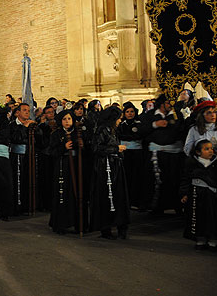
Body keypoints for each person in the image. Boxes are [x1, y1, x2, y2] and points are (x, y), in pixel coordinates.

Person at [90, 106, 130, 239]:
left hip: (116, 166)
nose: (120, 121)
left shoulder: (114, 130)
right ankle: (106, 227)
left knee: (119, 196)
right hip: (105, 168)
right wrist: (115, 148)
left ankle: (121, 226)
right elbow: (97, 148)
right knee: (107, 197)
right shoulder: (102, 130)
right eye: (118, 118)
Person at [142, 94, 186, 214]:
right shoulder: (150, 115)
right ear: (162, 104)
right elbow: (143, 130)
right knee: (157, 180)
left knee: (174, 179)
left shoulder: (177, 114)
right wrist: (155, 125)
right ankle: (157, 206)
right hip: (156, 153)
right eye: (168, 103)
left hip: (174, 152)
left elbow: (181, 129)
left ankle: (177, 205)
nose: (170, 105)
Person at [180, 139, 217, 251]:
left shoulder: (216, 164)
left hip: (212, 197)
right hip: (196, 195)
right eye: (206, 149)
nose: (210, 151)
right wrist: (184, 194)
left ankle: (213, 240)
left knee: (213, 218)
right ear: (198, 152)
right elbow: (185, 179)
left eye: (211, 148)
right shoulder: (191, 163)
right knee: (198, 217)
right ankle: (200, 239)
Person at [48, 110, 81, 234]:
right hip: (62, 166)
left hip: (77, 166)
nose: (67, 122)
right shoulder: (56, 134)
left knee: (76, 193)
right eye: (64, 119)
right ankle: (60, 224)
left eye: (69, 119)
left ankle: (79, 223)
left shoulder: (78, 133)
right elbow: (52, 151)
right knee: (62, 194)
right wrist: (64, 147)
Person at [118, 101, 150, 211]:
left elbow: (139, 135)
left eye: (132, 111)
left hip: (137, 153)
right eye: (127, 112)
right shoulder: (121, 125)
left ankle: (137, 200)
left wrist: (130, 137)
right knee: (127, 176)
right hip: (125, 153)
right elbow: (120, 135)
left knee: (137, 177)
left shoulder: (139, 123)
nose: (130, 114)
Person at [9, 103, 39, 215]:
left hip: (30, 155)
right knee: (18, 180)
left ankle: (30, 204)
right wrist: (24, 127)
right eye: (24, 110)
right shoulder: (12, 125)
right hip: (17, 156)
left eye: (28, 110)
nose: (27, 112)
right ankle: (18, 206)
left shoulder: (32, 124)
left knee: (30, 179)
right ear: (17, 113)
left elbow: (39, 139)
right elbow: (16, 138)